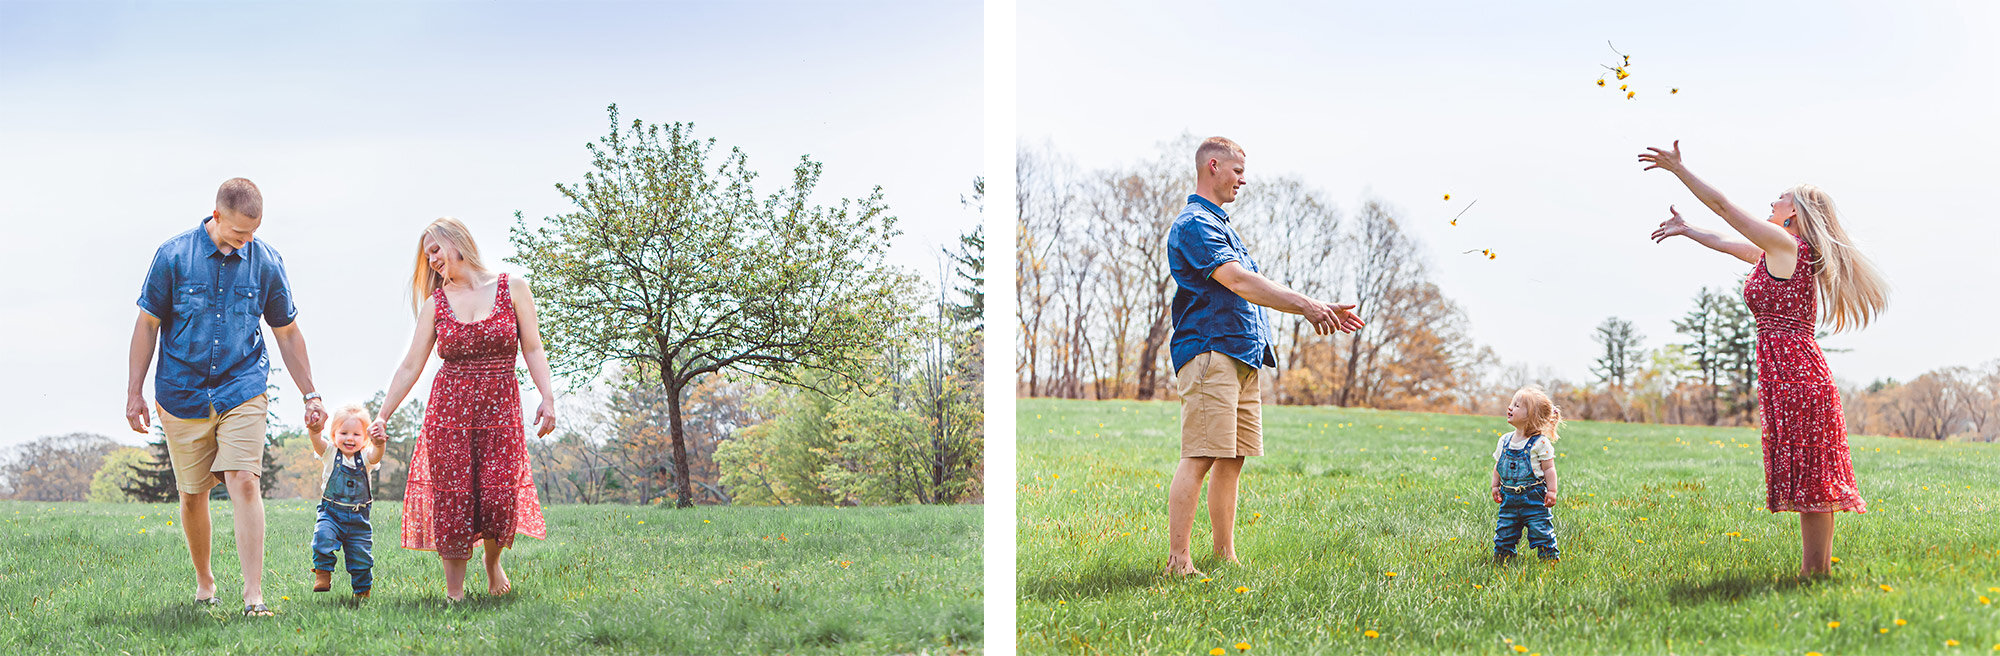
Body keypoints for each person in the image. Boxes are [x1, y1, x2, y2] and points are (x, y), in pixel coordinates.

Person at [1640, 140, 1889, 576]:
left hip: (1797, 374)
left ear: (1792, 213)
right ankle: (1817, 572)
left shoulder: (1786, 245)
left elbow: (1724, 207)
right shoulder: (1779, 252)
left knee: (1814, 475)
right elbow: (1725, 240)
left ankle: (1815, 574)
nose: (1772, 200)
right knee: (1811, 473)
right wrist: (1688, 230)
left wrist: (1679, 170)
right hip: (1791, 374)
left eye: (1781, 196)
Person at [1163, 137, 1365, 576]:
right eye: (1237, 170)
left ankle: (1224, 555)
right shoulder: (1195, 224)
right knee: (1199, 455)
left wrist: (1318, 305)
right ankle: (1178, 561)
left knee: (1232, 458)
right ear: (1212, 166)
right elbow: (1239, 281)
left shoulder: (1223, 225)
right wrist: (1307, 305)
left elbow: (1253, 285)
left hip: (1242, 354)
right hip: (1210, 351)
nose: (1243, 179)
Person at [125, 177, 326, 617]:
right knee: (193, 494)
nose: (245, 241)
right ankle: (205, 583)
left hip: (243, 385)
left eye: (253, 233)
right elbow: (146, 325)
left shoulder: (266, 261)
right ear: (217, 216)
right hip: (182, 390)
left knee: (244, 479)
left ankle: (253, 596)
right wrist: (134, 392)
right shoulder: (173, 256)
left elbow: (287, 333)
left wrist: (310, 392)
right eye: (238, 233)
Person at [374, 217, 553, 601]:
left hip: (500, 408)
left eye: (436, 250)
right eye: (427, 257)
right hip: (449, 413)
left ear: (457, 241)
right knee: (453, 498)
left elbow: (533, 348)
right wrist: (383, 414)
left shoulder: (512, 287)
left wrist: (547, 396)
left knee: (496, 494)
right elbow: (411, 365)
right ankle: (454, 592)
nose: (433, 261)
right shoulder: (435, 304)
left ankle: (492, 564)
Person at [308, 403, 385, 598]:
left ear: (365, 438)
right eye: (344, 433)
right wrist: (314, 431)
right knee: (322, 537)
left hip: (359, 518)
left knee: (361, 557)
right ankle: (323, 571)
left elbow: (376, 457)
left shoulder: (365, 457)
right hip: (331, 512)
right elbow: (317, 442)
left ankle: (362, 591)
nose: (350, 438)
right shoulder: (330, 453)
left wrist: (379, 443)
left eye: (356, 434)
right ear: (334, 435)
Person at [1491, 387, 1562, 563]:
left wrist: (1552, 491)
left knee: (1541, 530)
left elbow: (1549, 469)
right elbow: (1498, 466)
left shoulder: (1541, 443)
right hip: (1508, 497)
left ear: (1532, 416)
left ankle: (1549, 558)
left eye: (1516, 405)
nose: (1510, 408)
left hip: (1534, 499)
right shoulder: (1504, 440)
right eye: (1511, 404)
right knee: (1505, 531)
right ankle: (1503, 557)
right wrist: (1495, 486)